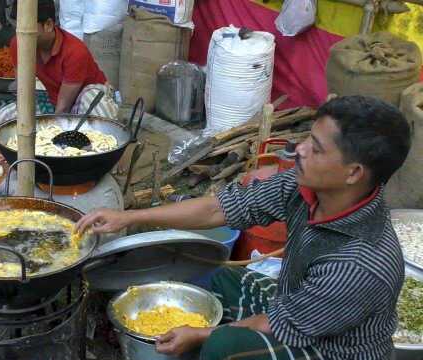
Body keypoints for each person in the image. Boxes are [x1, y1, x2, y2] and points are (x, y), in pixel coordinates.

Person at [77, 96, 411, 360]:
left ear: (354, 172)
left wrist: (201, 335)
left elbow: (281, 324)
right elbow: (216, 209)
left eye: (316, 149)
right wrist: (130, 217)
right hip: (292, 302)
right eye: (308, 138)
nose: (300, 150)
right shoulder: (305, 187)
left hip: (331, 349)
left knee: (225, 346)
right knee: (207, 270)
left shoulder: (358, 263)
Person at [0, 0, 118, 125]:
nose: (21, 34)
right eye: (19, 27)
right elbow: (23, 91)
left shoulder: (75, 51)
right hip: (54, 99)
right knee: (6, 117)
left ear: (48, 24)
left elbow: (63, 108)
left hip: (85, 98)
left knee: (98, 118)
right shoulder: (19, 43)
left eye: (27, 28)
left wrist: (53, 130)